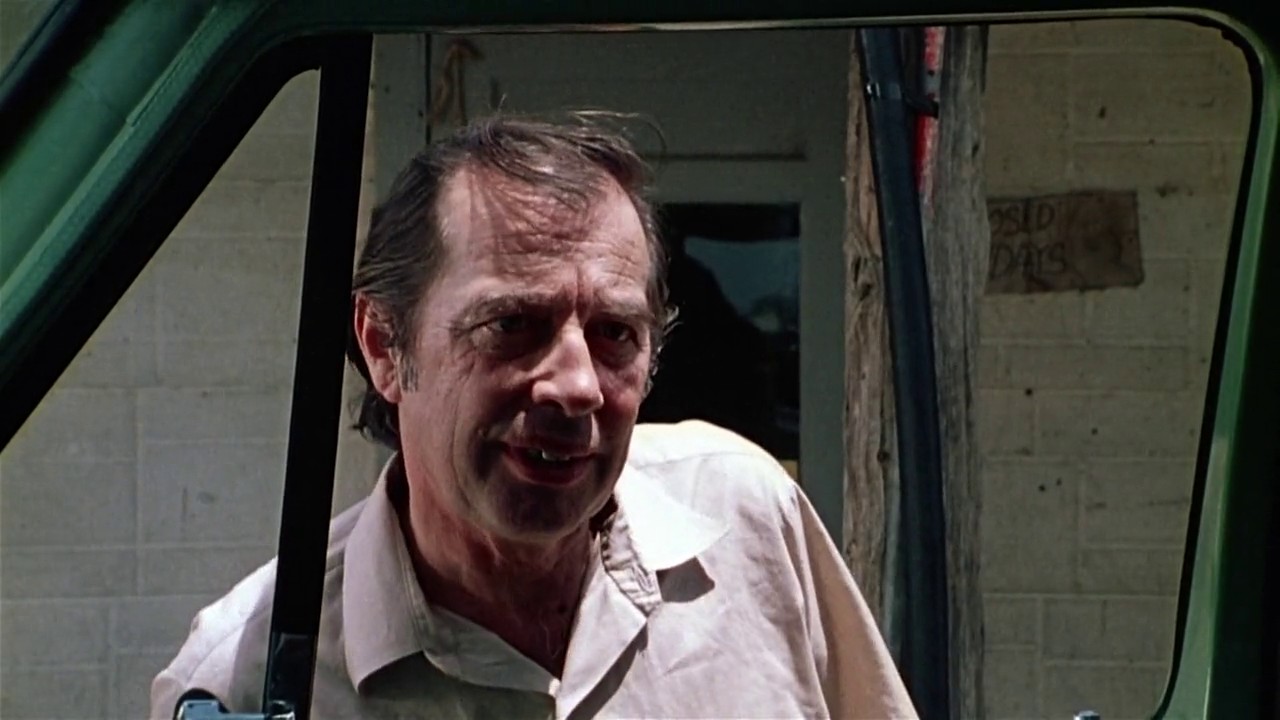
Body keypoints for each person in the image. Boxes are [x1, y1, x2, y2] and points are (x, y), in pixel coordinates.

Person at [151, 114, 917, 719]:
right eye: (513, 324)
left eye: (616, 333)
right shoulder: (248, 680)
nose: (577, 386)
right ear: (384, 345)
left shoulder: (746, 520)